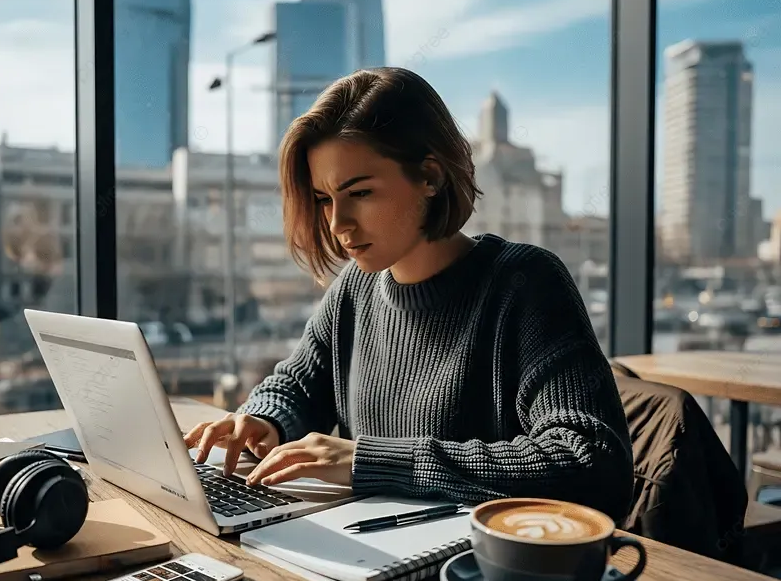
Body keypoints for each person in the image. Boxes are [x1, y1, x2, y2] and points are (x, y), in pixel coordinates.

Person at [184, 67, 634, 522]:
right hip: (370, 543)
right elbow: (298, 386)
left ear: (430, 177)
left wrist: (372, 462)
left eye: (360, 192)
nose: (338, 223)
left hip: (482, 556)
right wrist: (263, 419)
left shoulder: (526, 282)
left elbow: (591, 464)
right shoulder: (354, 289)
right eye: (324, 199)